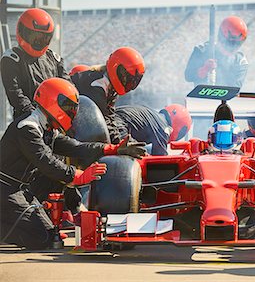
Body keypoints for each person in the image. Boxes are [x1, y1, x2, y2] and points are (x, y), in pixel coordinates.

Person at [0, 78, 146, 249]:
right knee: (44, 239)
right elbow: (46, 161)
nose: (72, 112)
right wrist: (77, 176)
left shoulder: (45, 127)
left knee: (51, 236)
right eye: (68, 107)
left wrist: (112, 149)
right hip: (6, 189)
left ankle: (70, 214)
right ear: (53, 102)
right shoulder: (28, 127)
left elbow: (75, 147)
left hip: (21, 189)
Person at [1, 8, 71, 119]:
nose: (38, 42)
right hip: (28, 121)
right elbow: (15, 94)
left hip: (56, 120)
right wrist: (37, 117)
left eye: (44, 38)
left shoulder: (54, 58)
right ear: (22, 31)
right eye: (34, 37)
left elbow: (68, 88)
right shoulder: (11, 59)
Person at [71, 47, 145, 144]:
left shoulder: (111, 87)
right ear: (116, 68)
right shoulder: (98, 85)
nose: (129, 84)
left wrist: (126, 141)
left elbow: (110, 118)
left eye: (134, 81)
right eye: (128, 78)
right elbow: (104, 121)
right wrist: (121, 144)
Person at [185, 16, 248, 87]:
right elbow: (188, 76)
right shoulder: (202, 50)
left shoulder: (240, 61)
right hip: (201, 96)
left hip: (226, 97)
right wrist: (204, 69)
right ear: (222, 37)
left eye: (237, 43)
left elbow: (235, 88)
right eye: (231, 43)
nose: (233, 47)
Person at [116, 104, 192, 155]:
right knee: (136, 154)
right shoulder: (163, 128)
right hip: (119, 127)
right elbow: (161, 160)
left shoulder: (154, 117)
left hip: (111, 121)